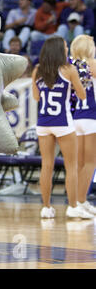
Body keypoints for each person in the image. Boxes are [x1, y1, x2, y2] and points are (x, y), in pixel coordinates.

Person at [31, 36, 92, 219]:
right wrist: (76, 84)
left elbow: (36, 97)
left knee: (46, 166)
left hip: (43, 123)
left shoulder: (37, 70)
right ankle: (73, 207)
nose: (67, 50)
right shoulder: (69, 69)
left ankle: (46, 207)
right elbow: (81, 96)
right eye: (65, 47)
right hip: (63, 123)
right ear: (59, 49)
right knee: (71, 166)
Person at [69, 35, 96, 215]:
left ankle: (79, 202)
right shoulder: (93, 64)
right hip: (91, 117)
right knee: (90, 163)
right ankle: (79, 201)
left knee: (79, 164)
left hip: (75, 118)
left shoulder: (70, 67)